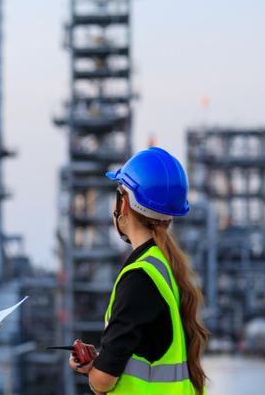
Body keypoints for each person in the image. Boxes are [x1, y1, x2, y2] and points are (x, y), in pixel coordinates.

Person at [69, 147, 209, 395]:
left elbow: (104, 380)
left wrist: (92, 372)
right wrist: (102, 359)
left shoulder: (139, 278)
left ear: (123, 205)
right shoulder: (162, 266)